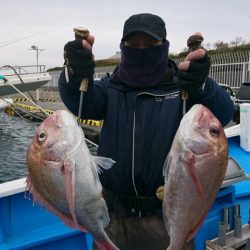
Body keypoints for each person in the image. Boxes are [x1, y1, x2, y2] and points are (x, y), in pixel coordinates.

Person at [59, 13, 234, 250]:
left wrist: (203, 85)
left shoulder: (183, 88)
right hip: (113, 219)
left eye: (151, 44)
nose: (142, 50)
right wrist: (73, 73)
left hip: (168, 217)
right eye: (133, 45)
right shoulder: (110, 89)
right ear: (123, 47)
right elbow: (78, 99)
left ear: (164, 46)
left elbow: (222, 115)